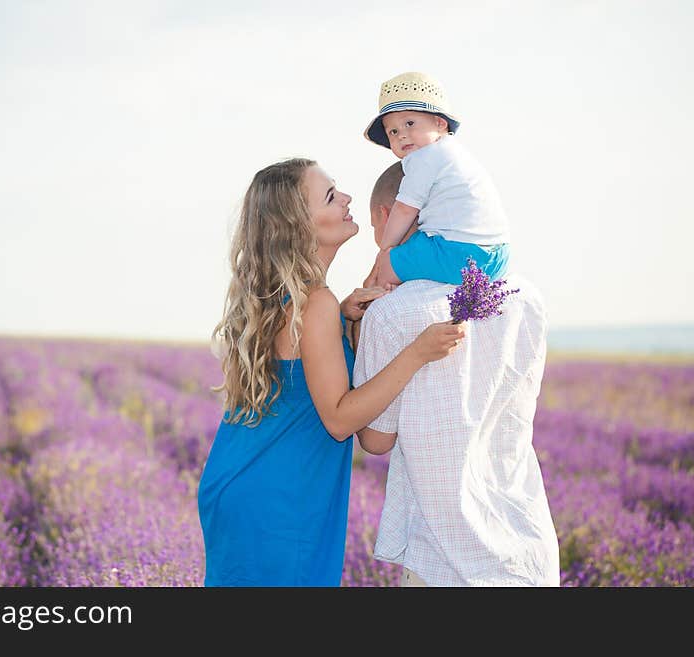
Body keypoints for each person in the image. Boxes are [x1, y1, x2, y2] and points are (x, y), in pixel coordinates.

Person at [197, 158, 466, 586]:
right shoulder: (315, 303)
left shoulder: (292, 300)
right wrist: (417, 353)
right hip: (281, 501)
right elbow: (340, 420)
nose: (346, 199)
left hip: (245, 484)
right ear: (298, 225)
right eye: (329, 196)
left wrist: (345, 323)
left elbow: (297, 379)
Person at [353, 161, 560, 587]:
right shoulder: (525, 297)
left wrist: (358, 333)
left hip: (446, 557)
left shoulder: (391, 314)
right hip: (529, 543)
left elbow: (375, 440)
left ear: (385, 215)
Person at [362, 71, 511, 290]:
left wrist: (386, 251)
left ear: (440, 123)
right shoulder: (455, 153)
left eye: (410, 123)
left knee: (387, 267)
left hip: (461, 253)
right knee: (414, 251)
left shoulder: (423, 157)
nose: (401, 134)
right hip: (499, 255)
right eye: (393, 131)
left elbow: (404, 209)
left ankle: (382, 302)